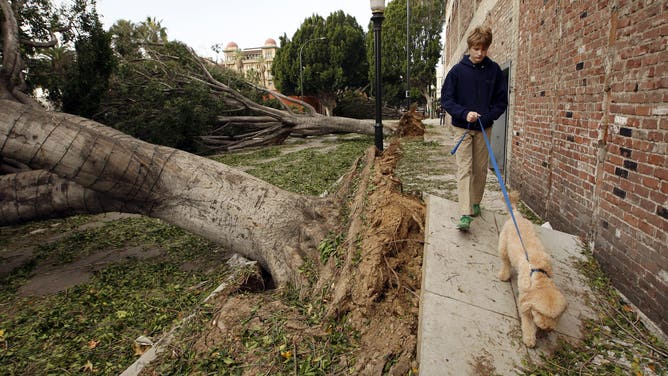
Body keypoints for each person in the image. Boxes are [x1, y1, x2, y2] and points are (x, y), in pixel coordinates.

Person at [440, 26, 508, 231]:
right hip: (463, 129)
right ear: (470, 47)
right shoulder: (457, 72)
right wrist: (464, 113)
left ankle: (476, 202)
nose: (479, 53)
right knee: (465, 168)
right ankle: (465, 212)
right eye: (476, 48)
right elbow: (447, 100)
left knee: (480, 169)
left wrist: (487, 117)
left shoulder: (494, 70)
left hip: (484, 128)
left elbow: (501, 102)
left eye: (483, 49)